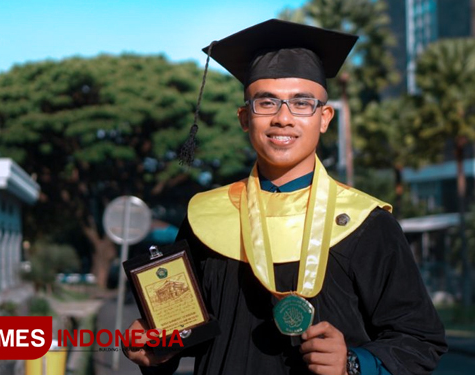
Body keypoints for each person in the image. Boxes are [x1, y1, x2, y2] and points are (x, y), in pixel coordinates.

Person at [124, 19, 447, 375]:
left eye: (302, 103)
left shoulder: (368, 225)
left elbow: (419, 341)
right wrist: (157, 349)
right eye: (267, 103)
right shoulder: (206, 219)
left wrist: (353, 364)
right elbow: (193, 333)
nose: (283, 118)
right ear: (245, 118)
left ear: (324, 117)